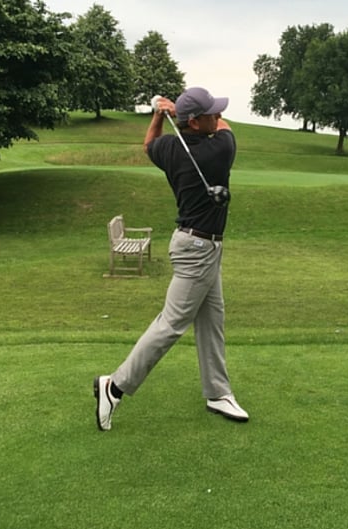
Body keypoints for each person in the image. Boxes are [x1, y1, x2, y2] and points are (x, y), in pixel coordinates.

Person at [94, 86, 247, 431]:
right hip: (198, 249)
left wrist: (159, 115)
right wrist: (176, 110)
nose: (218, 115)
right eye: (211, 112)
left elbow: (149, 144)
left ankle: (217, 392)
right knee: (171, 324)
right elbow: (226, 128)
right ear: (194, 123)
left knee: (212, 320)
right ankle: (114, 386)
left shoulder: (170, 148)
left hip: (198, 246)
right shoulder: (219, 150)